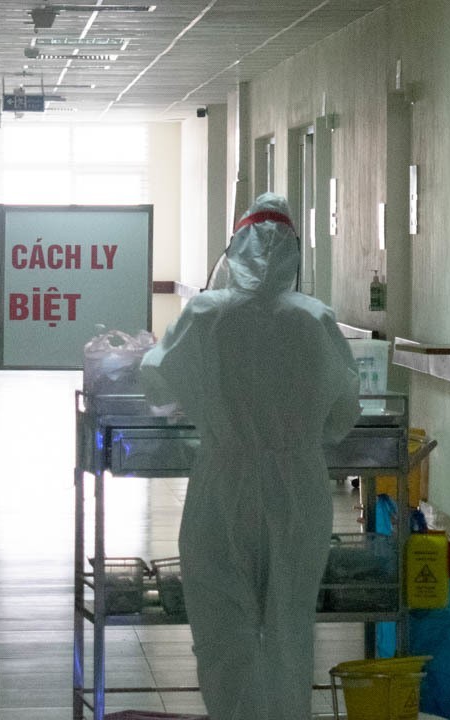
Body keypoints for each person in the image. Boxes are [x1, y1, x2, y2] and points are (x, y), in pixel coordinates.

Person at [140, 192, 361, 720]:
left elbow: (155, 384)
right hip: (297, 488)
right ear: (294, 254)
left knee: (222, 628)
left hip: (223, 482)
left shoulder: (205, 314)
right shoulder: (315, 320)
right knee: (289, 626)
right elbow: (341, 418)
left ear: (235, 249)